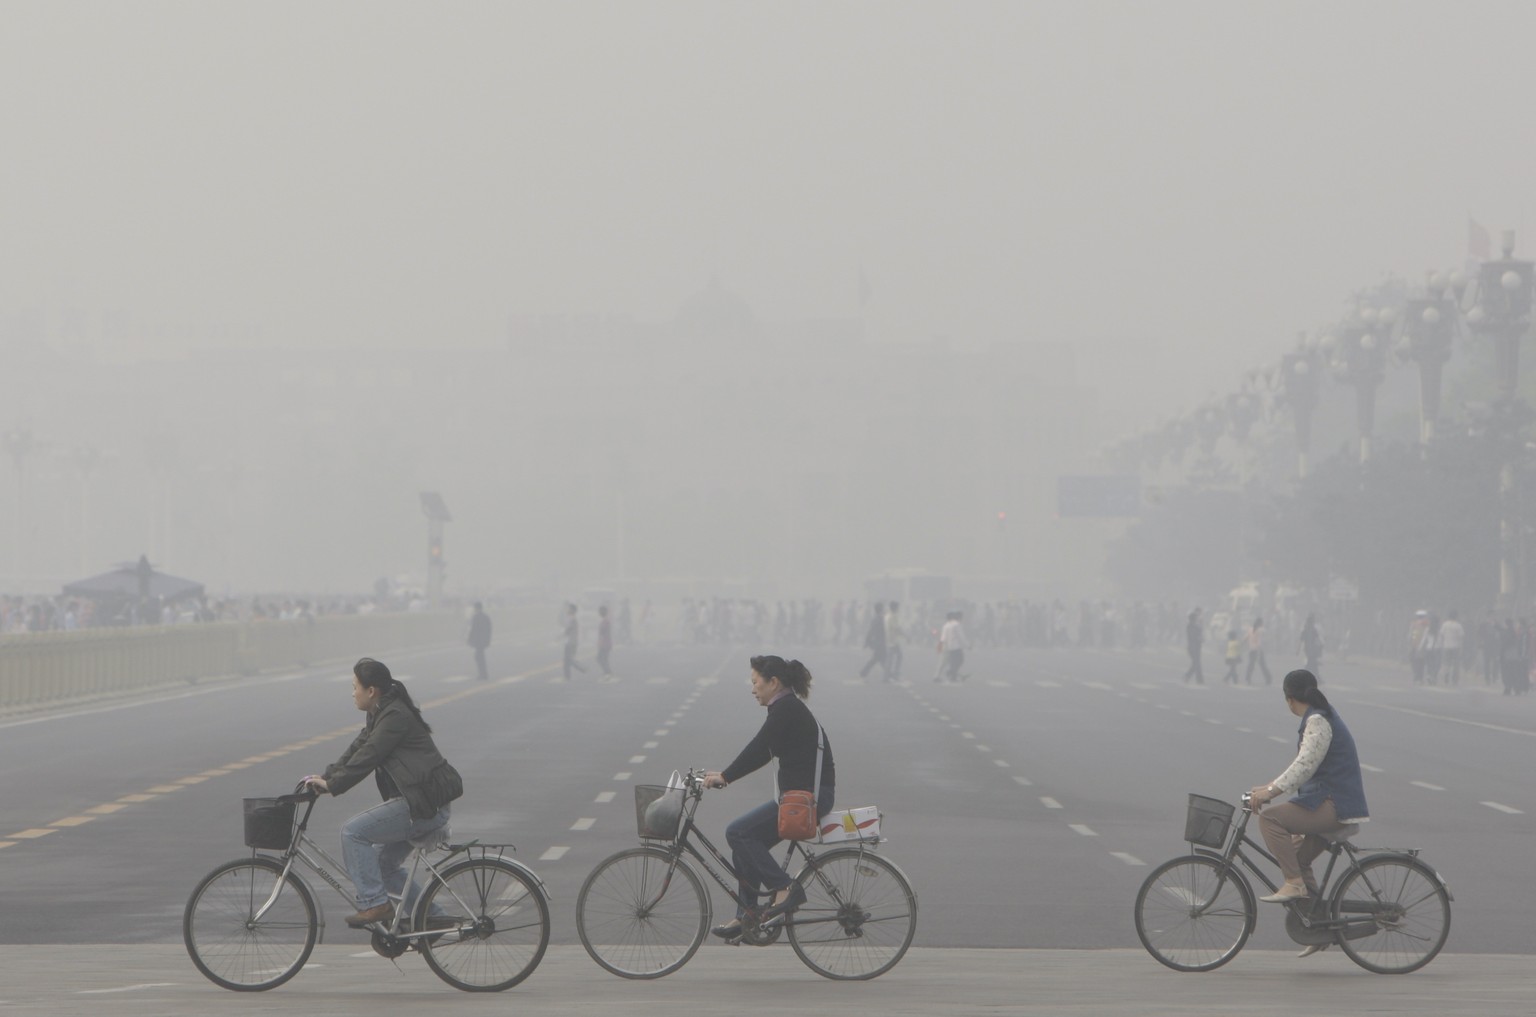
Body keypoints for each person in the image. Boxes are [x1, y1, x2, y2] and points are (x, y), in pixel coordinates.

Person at [303, 658, 464, 929]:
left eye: (355, 687)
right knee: (381, 865)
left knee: (352, 832)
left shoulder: (395, 716)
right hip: (419, 803)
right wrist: (327, 776)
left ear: (371, 691)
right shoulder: (380, 712)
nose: (352, 693)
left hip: (422, 806)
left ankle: (376, 904)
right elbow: (359, 746)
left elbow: (371, 754)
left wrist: (335, 785)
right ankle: (433, 918)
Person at [703, 655, 835, 943]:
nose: (753, 690)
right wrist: (725, 774)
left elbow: (759, 748)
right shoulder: (785, 708)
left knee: (737, 832)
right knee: (745, 841)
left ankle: (785, 888)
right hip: (798, 798)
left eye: (755, 683)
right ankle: (748, 915)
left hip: (808, 801)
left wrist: (725, 776)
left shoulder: (785, 709)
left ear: (773, 683)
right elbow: (764, 751)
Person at [1247, 669, 1369, 958]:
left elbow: (1305, 767)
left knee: (1270, 818)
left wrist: (1270, 793)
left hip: (1335, 805)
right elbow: (1303, 764)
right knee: (1298, 857)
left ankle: (1293, 884)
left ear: (1289, 699)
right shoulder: (1319, 716)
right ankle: (1318, 927)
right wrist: (1267, 787)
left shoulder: (1317, 720)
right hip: (1329, 802)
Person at [936, 610, 969, 682]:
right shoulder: (956, 624)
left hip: (947, 645)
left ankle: (951, 674)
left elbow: (943, 637)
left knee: (947, 662)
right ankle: (951, 674)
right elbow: (961, 636)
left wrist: (940, 646)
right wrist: (967, 645)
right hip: (953, 647)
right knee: (957, 661)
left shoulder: (946, 625)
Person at [858, 602, 887, 678]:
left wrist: (867, 642)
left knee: (877, 659)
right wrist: (867, 641)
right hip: (880, 642)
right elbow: (871, 631)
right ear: (880, 609)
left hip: (879, 642)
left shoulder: (877, 618)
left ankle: (863, 672)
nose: (884, 609)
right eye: (883, 608)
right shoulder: (879, 619)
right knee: (880, 658)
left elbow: (870, 631)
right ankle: (888, 673)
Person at [1245, 617, 1274, 685]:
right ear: (1261, 623)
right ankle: (1268, 679)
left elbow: (1245, 638)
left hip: (1252, 650)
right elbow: (1260, 641)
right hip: (1258, 650)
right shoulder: (1261, 630)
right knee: (1263, 665)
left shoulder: (1250, 629)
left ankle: (1248, 678)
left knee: (1251, 665)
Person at [467, 601, 492, 681]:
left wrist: (469, 639)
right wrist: (488, 640)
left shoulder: (475, 617)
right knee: (480, 657)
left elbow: (472, 629)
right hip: (484, 640)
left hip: (477, 640)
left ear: (476, 608)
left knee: (479, 657)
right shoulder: (486, 617)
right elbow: (489, 629)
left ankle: (483, 674)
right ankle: (483, 674)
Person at [561, 602, 586, 680]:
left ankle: (580, 668)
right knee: (568, 660)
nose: (567, 610)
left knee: (567, 660)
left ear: (573, 610)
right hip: (571, 641)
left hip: (571, 642)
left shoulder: (572, 618)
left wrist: (561, 636)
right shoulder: (570, 617)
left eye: (569, 608)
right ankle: (568, 675)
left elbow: (569, 629)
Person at [1183, 608, 1205, 684]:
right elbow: (1195, 637)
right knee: (1196, 663)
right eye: (1196, 617)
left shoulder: (1192, 626)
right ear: (1194, 618)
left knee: (1196, 663)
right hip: (1194, 647)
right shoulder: (1191, 626)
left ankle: (1199, 679)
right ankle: (1189, 676)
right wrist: (1200, 638)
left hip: (1194, 647)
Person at [1299, 613, 1324, 679]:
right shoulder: (1309, 630)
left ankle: (1316, 677)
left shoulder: (1309, 630)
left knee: (1312, 663)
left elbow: (1302, 640)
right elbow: (1302, 640)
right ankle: (1308, 676)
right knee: (1311, 663)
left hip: (1309, 649)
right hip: (1310, 649)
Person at [596, 604, 614, 677]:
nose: (599, 612)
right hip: (605, 643)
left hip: (605, 643)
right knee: (602, 658)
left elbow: (603, 632)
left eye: (600, 611)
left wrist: (600, 641)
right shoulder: (604, 620)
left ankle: (607, 672)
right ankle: (607, 672)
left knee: (600, 658)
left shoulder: (605, 621)